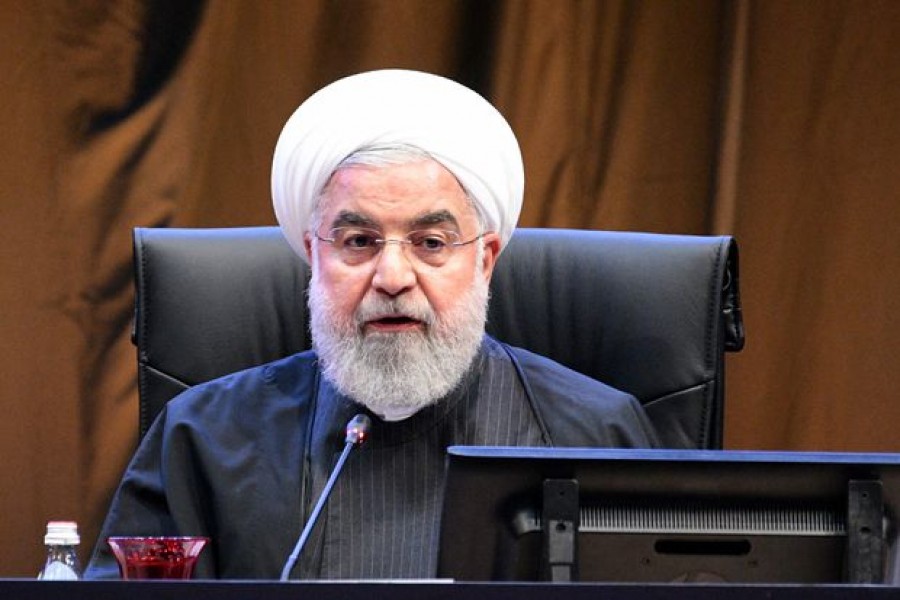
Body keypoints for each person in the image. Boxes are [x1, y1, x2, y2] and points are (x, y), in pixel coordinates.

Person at [85, 69, 659, 580]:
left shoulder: (595, 435)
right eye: (358, 241)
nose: (392, 277)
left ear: (485, 259)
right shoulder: (204, 438)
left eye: (430, 243)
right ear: (313, 256)